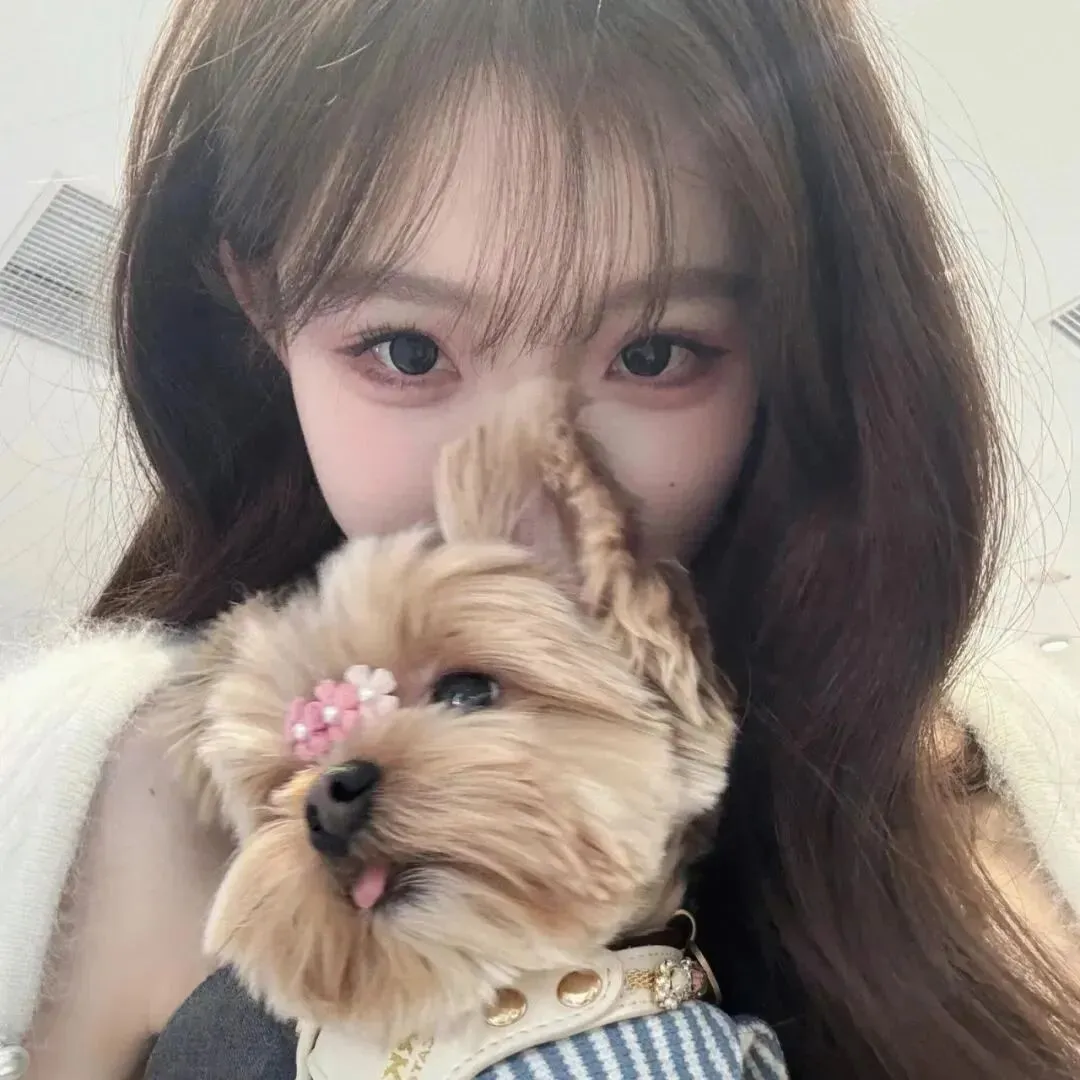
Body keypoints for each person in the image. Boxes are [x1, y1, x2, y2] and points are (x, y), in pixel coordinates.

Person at [0, 0, 1078, 1077]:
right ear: (261, 307)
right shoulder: (124, 786)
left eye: (653, 354)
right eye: (407, 350)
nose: (521, 476)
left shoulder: (1007, 808)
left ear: (800, 353)